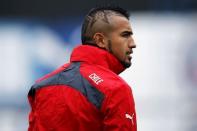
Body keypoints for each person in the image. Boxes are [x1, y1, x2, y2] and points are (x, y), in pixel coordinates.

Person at [28, 5, 137, 131]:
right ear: (100, 40)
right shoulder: (115, 89)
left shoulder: (41, 86)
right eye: (125, 35)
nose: (133, 44)